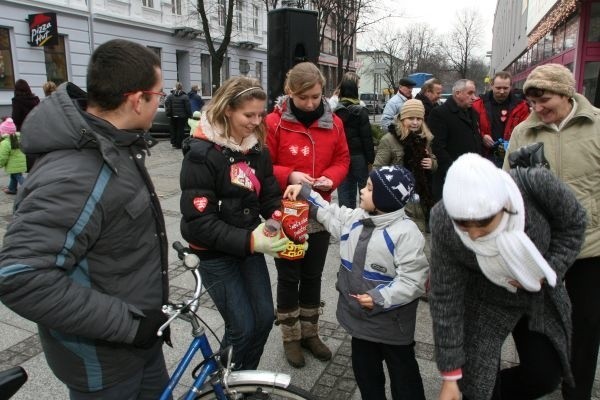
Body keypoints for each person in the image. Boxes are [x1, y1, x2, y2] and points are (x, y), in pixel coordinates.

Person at [0, 39, 171, 399]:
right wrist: (130, 325)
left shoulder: (116, 144)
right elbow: (21, 277)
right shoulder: (75, 173)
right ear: (137, 99)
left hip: (140, 345)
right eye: (159, 94)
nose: (161, 102)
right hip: (107, 364)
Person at [430, 153, 586, 400]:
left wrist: (550, 268)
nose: (474, 235)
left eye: (483, 223)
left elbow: (574, 224)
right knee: (478, 385)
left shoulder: (535, 185)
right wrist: (451, 375)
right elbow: (444, 295)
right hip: (484, 300)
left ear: (504, 206)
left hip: (537, 295)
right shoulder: (442, 220)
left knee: (544, 376)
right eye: (463, 225)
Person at [284, 164, 428, 400]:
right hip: (360, 321)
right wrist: (305, 192)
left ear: (384, 198)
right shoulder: (358, 218)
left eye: (369, 189)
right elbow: (332, 214)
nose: (362, 190)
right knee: (365, 373)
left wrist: (381, 296)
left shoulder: (405, 233)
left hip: (392, 325)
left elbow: (414, 279)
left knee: (404, 375)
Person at [504, 63, 600, 400]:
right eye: (531, 102)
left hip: (590, 253)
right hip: (540, 255)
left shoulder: (597, 126)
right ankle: (542, 377)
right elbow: (508, 192)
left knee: (585, 332)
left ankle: (577, 393)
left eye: (544, 100)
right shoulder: (523, 133)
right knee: (540, 334)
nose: (537, 109)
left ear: (566, 93)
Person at [179, 76, 289, 371]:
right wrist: (253, 241)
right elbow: (199, 222)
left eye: (260, 115)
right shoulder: (201, 154)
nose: (256, 122)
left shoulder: (258, 148)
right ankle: (224, 383)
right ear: (228, 110)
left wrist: (279, 222)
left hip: (247, 245)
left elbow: (269, 195)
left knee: (264, 319)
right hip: (213, 254)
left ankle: (244, 381)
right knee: (241, 327)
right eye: (248, 115)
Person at [264, 61, 350, 368]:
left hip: (321, 212)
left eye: (315, 96)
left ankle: (310, 332)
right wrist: (290, 175)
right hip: (287, 212)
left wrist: (332, 178)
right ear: (290, 93)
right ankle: (290, 337)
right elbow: (263, 166)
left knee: (313, 275)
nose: (311, 103)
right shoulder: (274, 123)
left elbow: (342, 159)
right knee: (289, 277)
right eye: (304, 98)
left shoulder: (334, 123)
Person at [373, 99, 437, 232]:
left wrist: (432, 163)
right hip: (397, 199)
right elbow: (377, 170)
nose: (415, 122)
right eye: (411, 118)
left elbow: (434, 160)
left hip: (420, 197)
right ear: (402, 118)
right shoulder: (389, 140)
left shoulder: (425, 138)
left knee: (417, 237)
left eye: (419, 118)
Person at [428, 79, 482, 201]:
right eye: (470, 93)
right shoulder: (439, 114)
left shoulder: (473, 113)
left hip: (471, 176)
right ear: (458, 93)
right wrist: (455, 171)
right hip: (449, 179)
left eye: (474, 93)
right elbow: (438, 148)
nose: (474, 97)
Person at [472, 71, 529, 167]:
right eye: (498, 88)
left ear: (511, 86)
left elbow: (525, 131)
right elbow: (471, 127)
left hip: (511, 157)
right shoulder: (478, 105)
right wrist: (482, 137)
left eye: (505, 88)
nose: (502, 91)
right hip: (484, 156)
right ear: (491, 85)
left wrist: (511, 143)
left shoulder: (521, 106)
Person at [333, 78, 374, 208]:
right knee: (364, 188)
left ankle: (345, 218)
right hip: (359, 157)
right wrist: (370, 160)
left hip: (341, 157)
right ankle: (364, 216)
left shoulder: (335, 112)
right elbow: (367, 138)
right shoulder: (361, 111)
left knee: (344, 188)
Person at [0, 117, 26, 194]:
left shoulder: (5, 143)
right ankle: (12, 189)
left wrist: (0, 164)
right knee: (14, 175)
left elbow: (3, 156)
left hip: (13, 163)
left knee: (18, 176)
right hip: (20, 162)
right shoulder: (19, 138)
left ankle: (29, 190)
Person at [164, 81, 191, 149]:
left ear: (176, 87)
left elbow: (167, 104)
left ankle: (174, 143)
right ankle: (179, 144)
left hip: (173, 115)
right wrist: (190, 115)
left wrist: (169, 112)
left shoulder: (170, 96)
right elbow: (188, 107)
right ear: (182, 88)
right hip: (182, 116)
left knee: (173, 129)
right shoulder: (185, 96)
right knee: (180, 130)